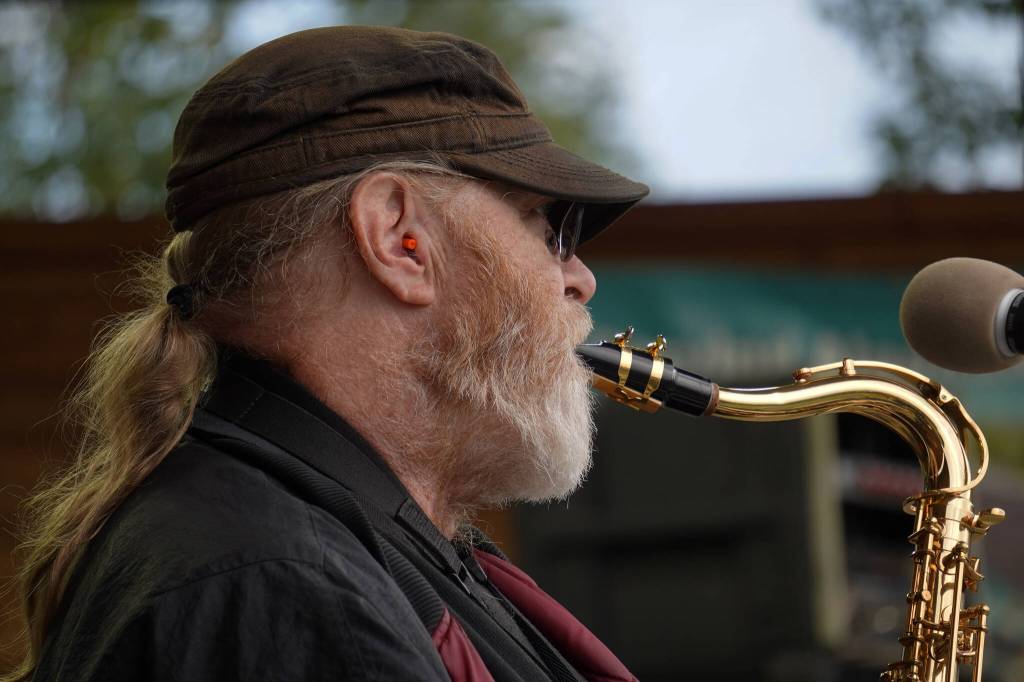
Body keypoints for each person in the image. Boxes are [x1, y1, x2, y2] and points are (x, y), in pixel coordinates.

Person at [10, 26, 648, 682]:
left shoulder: (295, 548)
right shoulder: (286, 585)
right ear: (400, 239)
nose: (580, 280)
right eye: (551, 230)